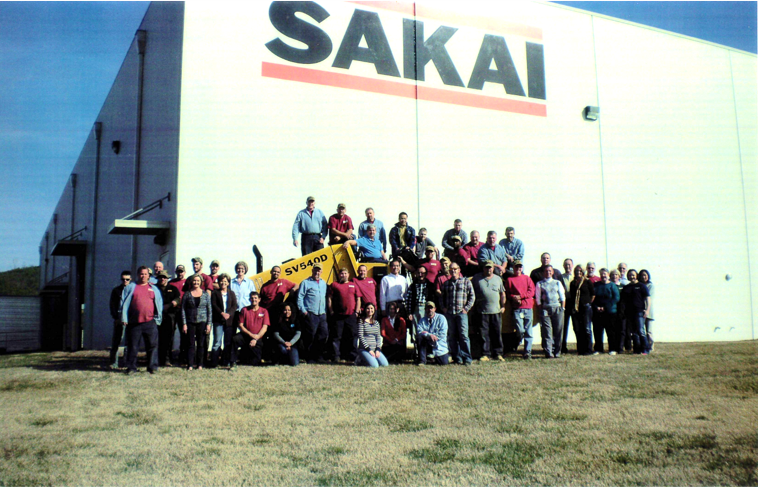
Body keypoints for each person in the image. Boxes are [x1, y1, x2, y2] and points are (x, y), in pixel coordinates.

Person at [119, 266, 163, 374]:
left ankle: (152, 367)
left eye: (145, 274)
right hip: (134, 323)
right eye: (141, 274)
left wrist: (157, 319)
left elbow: (159, 303)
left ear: (149, 276)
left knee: (152, 346)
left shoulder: (154, 289)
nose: (143, 276)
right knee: (133, 346)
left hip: (150, 322)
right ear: (138, 275)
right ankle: (131, 368)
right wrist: (124, 317)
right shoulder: (130, 287)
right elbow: (122, 303)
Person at [471, 261, 506, 362]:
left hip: (496, 311)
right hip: (482, 311)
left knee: (497, 333)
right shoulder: (476, 278)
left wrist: (503, 306)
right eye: (486, 268)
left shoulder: (498, 279)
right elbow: (471, 293)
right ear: (483, 268)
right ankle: (485, 354)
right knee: (483, 334)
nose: (489, 269)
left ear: (493, 268)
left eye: (490, 268)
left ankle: (498, 354)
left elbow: (502, 293)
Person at [441, 263, 475, 365]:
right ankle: (457, 358)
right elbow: (441, 298)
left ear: (459, 270)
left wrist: (466, 308)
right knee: (452, 336)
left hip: (461, 313)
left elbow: (472, 296)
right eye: (451, 269)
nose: (453, 271)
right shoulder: (446, 284)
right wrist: (443, 308)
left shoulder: (466, 282)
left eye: (455, 269)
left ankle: (467, 358)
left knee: (464, 336)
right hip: (450, 314)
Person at [328, 268, 362, 362]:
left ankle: (352, 356)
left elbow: (358, 299)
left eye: (345, 273)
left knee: (352, 336)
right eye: (341, 273)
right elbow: (329, 298)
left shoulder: (353, 285)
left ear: (348, 274)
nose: (343, 275)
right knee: (336, 336)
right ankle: (336, 356)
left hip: (351, 315)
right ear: (339, 275)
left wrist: (356, 311)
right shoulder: (334, 285)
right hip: (338, 315)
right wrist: (331, 311)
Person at [297, 263, 329, 363]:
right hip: (311, 313)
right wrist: (304, 311)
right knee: (310, 336)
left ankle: (318, 356)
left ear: (321, 271)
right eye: (315, 270)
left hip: (322, 314)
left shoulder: (324, 283)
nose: (317, 272)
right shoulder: (305, 283)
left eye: (319, 270)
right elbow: (300, 298)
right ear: (312, 270)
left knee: (323, 335)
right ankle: (309, 357)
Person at [180, 274, 212, 370]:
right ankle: (190, 364)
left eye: (198, 281)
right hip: (190, 322)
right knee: (190, 344)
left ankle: (200, 364)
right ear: (191, 282)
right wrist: (184, 323)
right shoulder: (187, 294)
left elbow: (209, 310)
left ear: (201, 282)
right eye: (194, 281)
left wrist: (209, 324)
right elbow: (183, 310)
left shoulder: (205, 295)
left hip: (202, 321)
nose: (196, 282)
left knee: (201, 344)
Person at [231, 292, 269, 367]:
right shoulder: (244, 310)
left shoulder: (264, 311)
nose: (253, 299)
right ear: (249, 299)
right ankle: (232, 361)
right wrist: (251, 335)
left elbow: (265, 328)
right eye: (252, 298)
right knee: (235, 339)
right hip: (246, 336)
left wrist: (256, 338)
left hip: (258, 338)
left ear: (259, 300)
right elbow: (241, 325)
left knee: (255, 362)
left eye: (255, 298)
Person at [506, 263, 536, 359]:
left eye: (520, 267)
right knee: (520, 330)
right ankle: (516, 343)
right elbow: (507, 293)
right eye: (516, 267)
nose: (518, 269)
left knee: (528, 331)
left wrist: (521, 296)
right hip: (517, 308)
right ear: (513, 268)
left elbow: (532, 291)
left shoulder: (527, 278)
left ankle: (527, 352)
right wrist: (514, 297)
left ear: (522, 268)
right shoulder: (510, 280)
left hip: (528, 307)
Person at [535, 266, 565, 359]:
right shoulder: (540, 283)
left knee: (558, 330)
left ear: (552, 272)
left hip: (557, 308)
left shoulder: (557, 283)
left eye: (550, 271)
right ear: (544, 272)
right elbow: (538, 298)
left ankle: (557, 351)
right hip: (545, 309)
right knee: (547, 331)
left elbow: (562, 297)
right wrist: (541, 308)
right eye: (546, 271)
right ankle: (549, 352)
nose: (548, 272)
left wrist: (562, 308)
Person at [404, 267, 432, 360]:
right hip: (415, 309)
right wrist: (409, 313)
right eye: (419, 272)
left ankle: (427, 353)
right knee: (415, 331)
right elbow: (408, 300)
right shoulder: (413, 285)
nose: (421, 275)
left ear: (426, 274)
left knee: (427, 331)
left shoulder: (429, 285)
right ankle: (417, 353)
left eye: (423, 273)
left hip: (426, 309)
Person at [567, 265, 595, 356]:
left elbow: (593, 295)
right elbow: (571, 295)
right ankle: (581, 349)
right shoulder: (572, 283)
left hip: (586, 307)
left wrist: (588, 303)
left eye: (580, 271)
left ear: (583, 272)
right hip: (576, 308)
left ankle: (589, 349)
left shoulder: (587, 282)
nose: (578, 273)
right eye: (576, 271)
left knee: (587, 328)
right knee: (578, 329)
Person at [211, 273, 238, 367]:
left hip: (229, 321)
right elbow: (214, 305)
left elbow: (234, 305)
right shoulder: (215, 293)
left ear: (228, 282)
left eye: (225, 281)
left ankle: (225, 361)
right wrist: (222, 313)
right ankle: (214, 362)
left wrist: (229, 314)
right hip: (218, 320)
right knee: (217, 342)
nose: (223, 283)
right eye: (222, 281)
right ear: (219, 282)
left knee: (228, 342)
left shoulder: (232, 293)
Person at [621, 269, 651, 355]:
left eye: (633, 275)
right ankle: (637, 349)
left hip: (639, 312)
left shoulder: (642, 286)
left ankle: (645, 349)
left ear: (636, 275)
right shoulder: (626, 287)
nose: (632, 277)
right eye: (630, 275)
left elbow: (648, 298)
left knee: (641, 331)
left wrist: (647, 310)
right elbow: (623, 301)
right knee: (634, 332)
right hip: (629, 313)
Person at [155, 270, 180, 367]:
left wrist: (173, 303)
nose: (162, 279)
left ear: (167, 278)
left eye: (164, 277)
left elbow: (178, 298)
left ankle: (167, 359)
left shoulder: (173, 288)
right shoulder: (154, 288)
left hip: (169, 316)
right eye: (161, 277)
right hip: (157, 316)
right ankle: (157, 359)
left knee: (169, 338)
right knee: (157, 339)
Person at [592, 268, 620, 355]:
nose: (603, 276)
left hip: (610, 312)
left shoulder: (612, 286)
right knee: (597, 331)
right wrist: (596, 307)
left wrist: (605, 307)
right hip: (598, 312)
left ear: (608, 275)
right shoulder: (596, 285)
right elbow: (593, 298)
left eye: (605, 274)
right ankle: (598, 349)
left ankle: (612, 349)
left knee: (610, 331)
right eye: (602, 274)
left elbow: (616, 298)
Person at [108, 270, 131, 369]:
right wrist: (116, 317)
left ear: (130, 279)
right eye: (123, 279)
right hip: (119, 319)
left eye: (127, 279)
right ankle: (114, 362)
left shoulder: (133, 290)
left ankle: (127, 362)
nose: (125, 281)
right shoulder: (116, 290)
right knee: (116, 341)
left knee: (129, 342)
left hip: (130, 320)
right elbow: (112, 305)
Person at [416, 301, 449, 365]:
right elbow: (419, 331)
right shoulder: (422, 320)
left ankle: (433, 358)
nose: (429, 310)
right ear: (425, 309)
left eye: (431, 308)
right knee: (420, 337)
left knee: (444, 363)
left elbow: (443, 333)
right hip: (428, 344)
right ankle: (422, 361)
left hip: (439, 345)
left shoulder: (442, 318)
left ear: (435, 309)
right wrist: (429, 335)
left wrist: (432, 336)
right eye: (427, 308)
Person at [356, 303, 389, 368]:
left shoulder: (376, 323)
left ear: (374, 310)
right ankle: (360, 359)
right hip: (365, 349)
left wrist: (378, 349)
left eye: (371, 308)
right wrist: (369, 350)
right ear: (365, 310)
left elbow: (378, 337)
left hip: (374, 349)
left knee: (385, 364)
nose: (370, 310)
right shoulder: (361, 321)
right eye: (368, 308)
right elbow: (361, 337)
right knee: (375, 366)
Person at [639, 269, 655, 351]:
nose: (643, 277)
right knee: (642, 331)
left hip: (648, 310)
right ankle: (644, 346)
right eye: (642, 275)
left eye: (645, 275)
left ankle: (650, 346)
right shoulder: (639, 285)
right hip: (640, 310)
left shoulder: (650, 285)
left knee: (649, 331)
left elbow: (648, 298)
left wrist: (646, 310)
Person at [560, 258, 573, 354]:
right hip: (565, 303)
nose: (568, 266)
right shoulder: (560, 277)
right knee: (564, 326)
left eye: (569, 264)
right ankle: (563, 347)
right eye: (566, 265)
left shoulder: (576, 277)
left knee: (577, 326)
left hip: (575, 304)